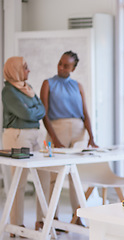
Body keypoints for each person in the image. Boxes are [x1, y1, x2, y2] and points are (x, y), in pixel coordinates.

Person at [39, 50, 98, 228]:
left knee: (75, 176)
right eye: (60, 63)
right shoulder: (48, 83)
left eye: (66, 65)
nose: (61, 67)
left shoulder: (77, 85)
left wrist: (91, 137)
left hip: (78, 131)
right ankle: (51, 218)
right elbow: (44, 114)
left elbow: (86, 114)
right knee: (53, 175)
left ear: (73, 68)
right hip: (57, 129)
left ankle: (76, 216)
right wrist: (54, 139)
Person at [2, 56, 46, 237]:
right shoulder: (8, 92)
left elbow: (41, 109)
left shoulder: (29, 88)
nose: (28, 71)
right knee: (19, 182)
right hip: (17, 135)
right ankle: (16, 225)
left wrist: (33, 111)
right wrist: (34, 110)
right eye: (25, 68)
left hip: (35, 134)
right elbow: (26, 113)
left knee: (43, 177)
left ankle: (43, 219)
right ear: (15, 70)